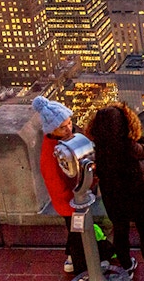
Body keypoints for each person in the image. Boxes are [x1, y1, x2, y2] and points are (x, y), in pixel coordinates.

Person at [87, 103, 144, 281]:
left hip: (112, 198)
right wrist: (143, 140)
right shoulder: (128, 145)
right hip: (137, 195)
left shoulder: (98, 148)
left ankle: (126, 266)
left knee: (120, 231)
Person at [34, 95, 93, 277]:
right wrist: (76, 199)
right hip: (70, 202)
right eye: (62, 127)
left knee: (74, 232)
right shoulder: (50, 154)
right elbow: (57, 185)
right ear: (51, 130)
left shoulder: (61, 142)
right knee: (77, 236)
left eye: (69, 123)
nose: (69, 129)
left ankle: (71, 258)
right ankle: (82, 270)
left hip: (73, 198)